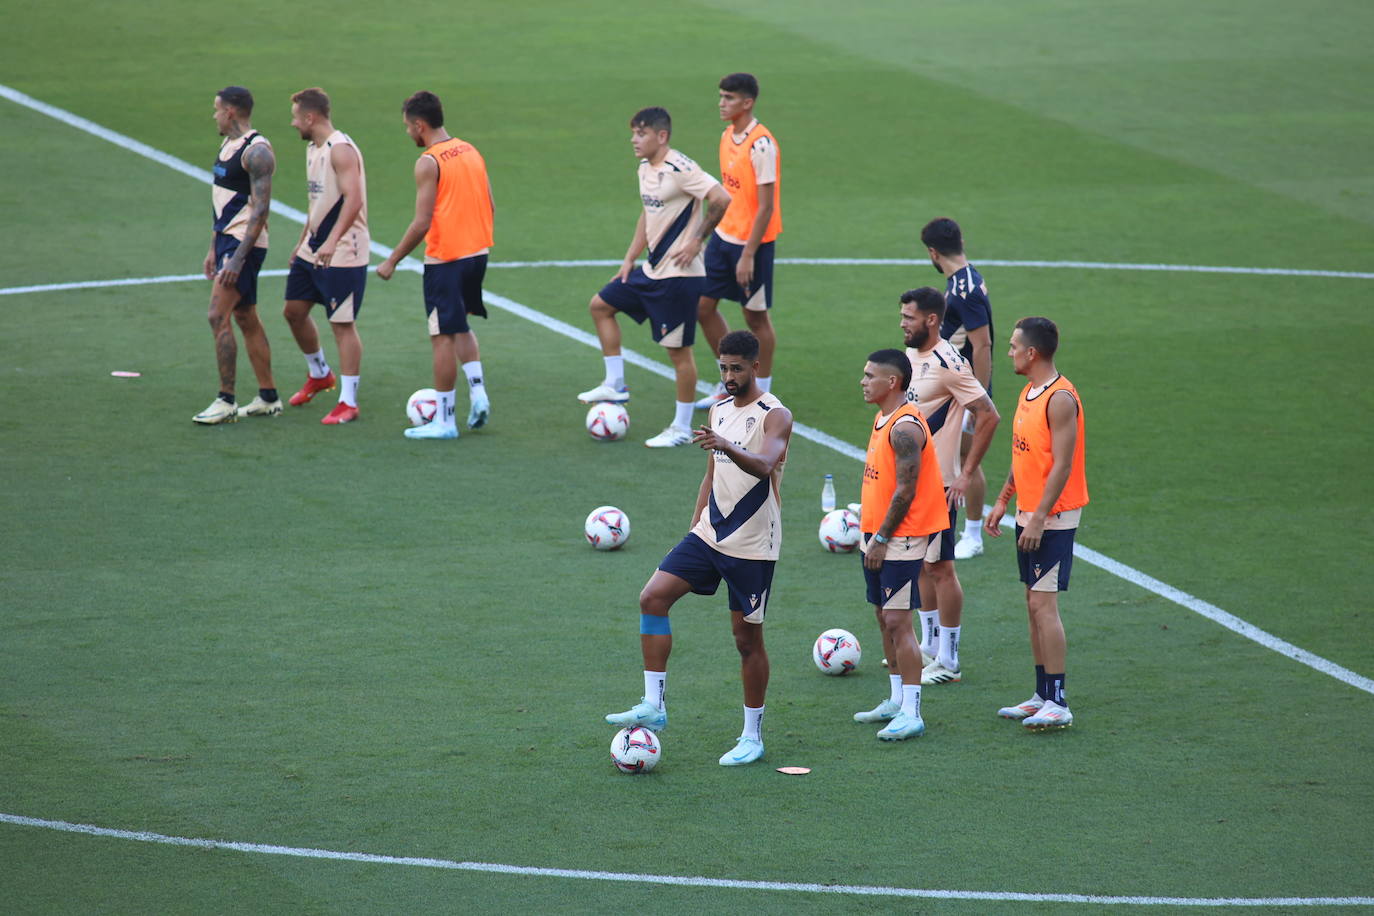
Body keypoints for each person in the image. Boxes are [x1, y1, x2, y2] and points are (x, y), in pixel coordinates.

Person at [605, 330, 792, 765]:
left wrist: (727, 444)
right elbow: (711, 474)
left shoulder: (775, 415)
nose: (728, 376)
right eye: (723, 368)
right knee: (652, 597)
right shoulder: (719, 408)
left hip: (752, 545)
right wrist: (693, 527)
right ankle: (654, 704)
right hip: (709, 535)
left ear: (756, 368)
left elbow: (764, 466)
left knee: (746, 641)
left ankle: (752, 736)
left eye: (736, 368)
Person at [576, 107, 731, 448]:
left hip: (679, 277)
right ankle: (615, 383)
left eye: (641, 133)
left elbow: (721, 198)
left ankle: (681, 428)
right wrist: (630, 258)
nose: (634, 139)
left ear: (661, 136)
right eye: (633, 133)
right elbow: (647, 215)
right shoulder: (645, 168)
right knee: (600, 305)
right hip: (650, 271)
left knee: (679, 354)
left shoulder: (681, 168)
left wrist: (696, 240)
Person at [984, 317, 1088, 730]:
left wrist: (1040, 518)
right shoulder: (1029, 392)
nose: (1007, 352)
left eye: (1012, 346)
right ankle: (1042, 694)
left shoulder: (1061, 398)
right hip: (1029, 512)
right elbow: (1024, 455)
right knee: (1032, 604)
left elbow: (1062, 465)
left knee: (1045, 606)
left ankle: (1059, 701)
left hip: (1053, 516)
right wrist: (1002, 502)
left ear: (1033, 353)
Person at [897, 288, 1000, 686]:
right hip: (912, 482)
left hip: (939, 485)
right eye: (902, 316)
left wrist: (966, 473)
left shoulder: (949, 363)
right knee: (921, 564)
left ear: (932, 320)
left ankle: (951, 659)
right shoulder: (911, 357)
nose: (903, 323)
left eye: (909, 317)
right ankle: (930, 645)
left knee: (941, 568)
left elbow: (988, 415)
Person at [377, 91, 494, 440]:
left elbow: (421, 222)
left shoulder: (429, 161)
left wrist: (391, 260)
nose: (408, 134)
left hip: (446, 261)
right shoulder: (470, 150)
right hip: (477, 253)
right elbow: (489, 202)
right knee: (459, 327)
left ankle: (444, 421)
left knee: (441, 336)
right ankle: (478, 393)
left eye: (407, 127)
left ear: (419, 124)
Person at [852, 349, 950, 741]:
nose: (863, 381)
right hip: (876, 535)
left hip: (900, 538)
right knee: (882, 616)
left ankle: (913, 710)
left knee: (898, 621)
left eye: (869, 375)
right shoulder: (883, 418)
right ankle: (895, 699)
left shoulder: (904, 428)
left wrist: (880, 540)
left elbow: (906, 490)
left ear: (892, 382)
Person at [281, 87, 370, 425]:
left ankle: (348, 401)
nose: (292, 124)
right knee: (293, 311)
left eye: (295, 117)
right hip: (314, 247)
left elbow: (353, 199)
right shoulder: (312, 148)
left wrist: (332, 242)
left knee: (342, 324)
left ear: (310, 117)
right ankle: (320, 374)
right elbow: (318, 203)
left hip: (345, 250)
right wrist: (303, 239)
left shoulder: (341, 149)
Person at [694, 73, 781, 408]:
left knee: (755, 317)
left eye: (728, 98)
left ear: (747, 102)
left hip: (752, 245)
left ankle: (763, 393)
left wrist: (748, 254)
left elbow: (766, 206)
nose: (721, 103)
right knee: (703, 307)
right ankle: (728, 379)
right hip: (723, 237)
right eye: (721, 96)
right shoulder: (728, 135)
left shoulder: (762, 145)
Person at [194, 86, 278, 424]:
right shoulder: (227, 145)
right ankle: (268, 397)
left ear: (230, 111)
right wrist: (214, 248)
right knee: (245, 316)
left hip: (245, 245)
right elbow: (221, 201)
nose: (213, 115)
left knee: (217, 315)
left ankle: (226, 400)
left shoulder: (257, 152)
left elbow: (259, 211)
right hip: (227, 243)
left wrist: (237, 258)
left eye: (216, 109)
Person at [920, 217, 993, 558]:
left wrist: (978, 400)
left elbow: (983, 345)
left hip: (964, 392)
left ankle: (974, 536)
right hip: (953, 389)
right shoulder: (962, 280)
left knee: (966, 459)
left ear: (933, 252)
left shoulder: (964, 290)